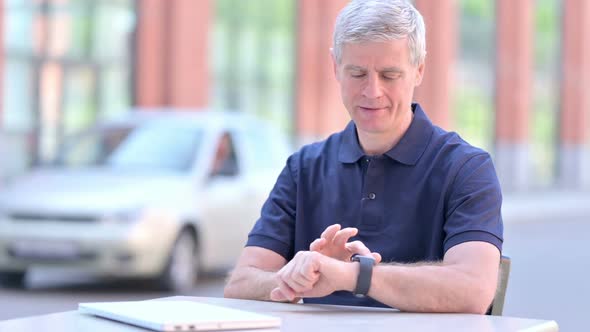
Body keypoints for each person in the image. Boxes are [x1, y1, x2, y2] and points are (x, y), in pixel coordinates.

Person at [224, 0, 503, 314]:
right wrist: (299, 276)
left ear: (419, 70)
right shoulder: (303, 168)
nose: (372, 92)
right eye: (357, 73)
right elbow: (240, 285)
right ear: (335, 68)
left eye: (389, 75)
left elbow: (474, 290)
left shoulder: (466, 169)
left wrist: (353, 276)